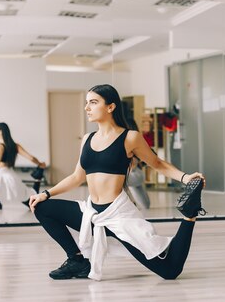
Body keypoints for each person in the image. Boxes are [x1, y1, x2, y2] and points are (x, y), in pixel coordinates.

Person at [29, 84, 206, 281]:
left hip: (117, 216)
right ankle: (77, 260)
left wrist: (185, 177)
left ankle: (190, 215)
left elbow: (157, 163)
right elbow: (76, 177)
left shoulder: (130, 137)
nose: (87, 107)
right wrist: (45, 194)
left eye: (93, 102)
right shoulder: (87, 139)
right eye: (86, 103)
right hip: (91, 213)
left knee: (169, 270)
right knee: (42, 207)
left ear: (110, 107)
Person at [0, 123, 46, 212]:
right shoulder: (15, 145)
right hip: (12, 177)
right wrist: (40, 164)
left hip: (3, 178)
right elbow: (31, 158)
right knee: (29, 200)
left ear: (0, 131)